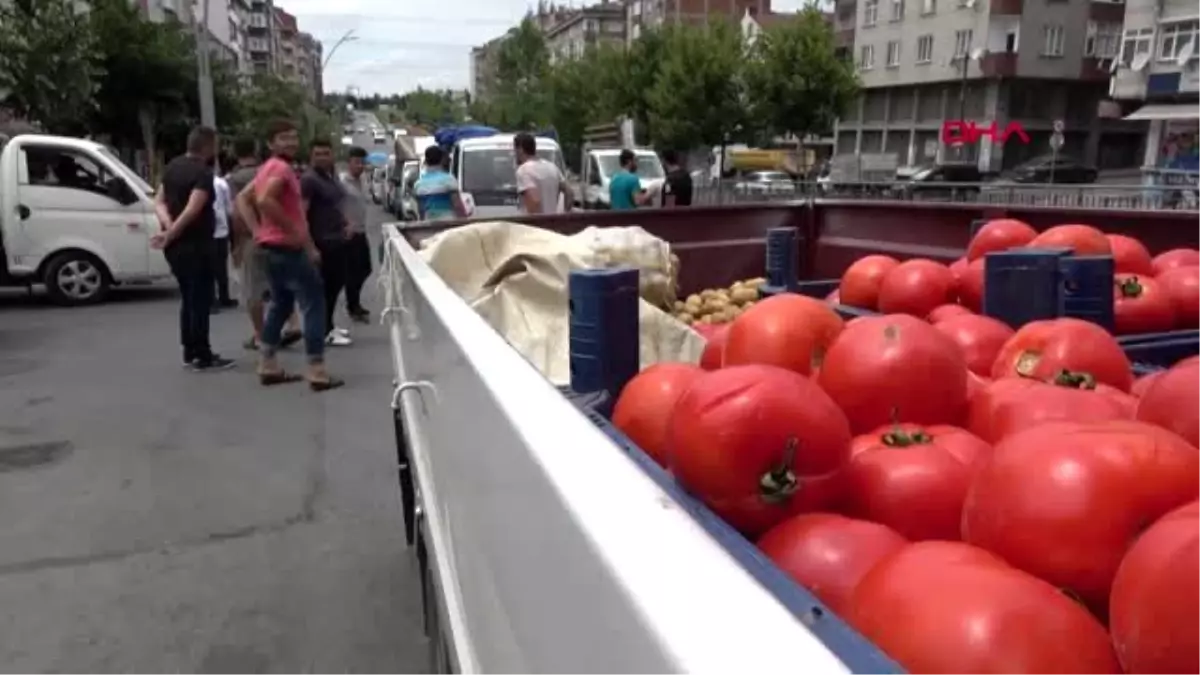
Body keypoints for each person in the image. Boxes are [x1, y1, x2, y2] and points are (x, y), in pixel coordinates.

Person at [245, 118, 343, 391]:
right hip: (288, 247)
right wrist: (299, 237)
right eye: (283, 138)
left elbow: (249, 199)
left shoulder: (266, 168)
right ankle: (317, 370)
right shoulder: (281, 168)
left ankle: (267, 363)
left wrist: (259, 230)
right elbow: (266, 201)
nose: (290, 142)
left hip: (270, 247)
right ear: (270, 143)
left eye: (293, 137)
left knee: (280, 304)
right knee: (313, 304)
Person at [152, 125, 234, 371]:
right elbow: (193, 208)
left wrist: (167, 227)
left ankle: (189, 350)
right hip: (197, 245)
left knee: (188, 298)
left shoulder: (172, 167)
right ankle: (203, 354)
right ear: (207, 146)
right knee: (199, 300)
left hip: (176, 248)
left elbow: (158, 201)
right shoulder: (203, 173)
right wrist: (172, 232)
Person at [227, 138, 302, 351]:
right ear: (257, 149)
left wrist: (237, 242)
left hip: (253, 237)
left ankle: (260, 335)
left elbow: (236, 212)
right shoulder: (272, 171)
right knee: (282, 283)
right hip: (279, 235)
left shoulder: (236, 179)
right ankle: (294, 324)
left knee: (253, 289)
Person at [300, 138, 353, 347]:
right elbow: (301, 214)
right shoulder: (309, 180)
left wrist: (346, 223)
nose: (322, 157)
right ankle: (324, 331)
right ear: (311, 156)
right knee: (326, 288)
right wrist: (310, 247)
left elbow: (336, 204)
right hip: (322, 241)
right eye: (317, 154)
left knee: (336, 283)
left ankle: (328, 325)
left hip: (337, 238)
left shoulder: (330, 177)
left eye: (326, 153)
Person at [340, 146, 372, 323]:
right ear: (348, 163)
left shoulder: (363, 181)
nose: (360, 166)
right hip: (349, 233)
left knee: (366, 269)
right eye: (356, 162)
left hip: (361, 230)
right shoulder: (342, 183)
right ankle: (353, 306)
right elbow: (335, 205)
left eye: (362, 162)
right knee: (354, 271)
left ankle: (354, 302)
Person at [513, 132, 571, 214]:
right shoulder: (552, 167)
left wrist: (533, 221)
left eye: (515, 150)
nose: (514, 153)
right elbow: (569, 192)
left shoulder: (524, 170)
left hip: (535, 224)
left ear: (520, 149)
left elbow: (534, 200)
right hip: (552, 221)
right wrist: (565, 212)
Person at [413, 145, 468, 221]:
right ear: (442, 160)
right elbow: (457, 205)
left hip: (429, 225)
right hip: (448, 224)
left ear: (426, 161)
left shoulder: (418, 185)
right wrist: (465, 221)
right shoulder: (448, 180)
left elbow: (421, 210)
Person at [211, 168, 237, 310]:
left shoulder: (196, 181)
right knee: (221, 266)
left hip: (206, 231)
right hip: (221, 229)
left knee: (208, 267)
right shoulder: (221, 183)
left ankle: (211, 299)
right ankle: (224, 297)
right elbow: (229, 208)